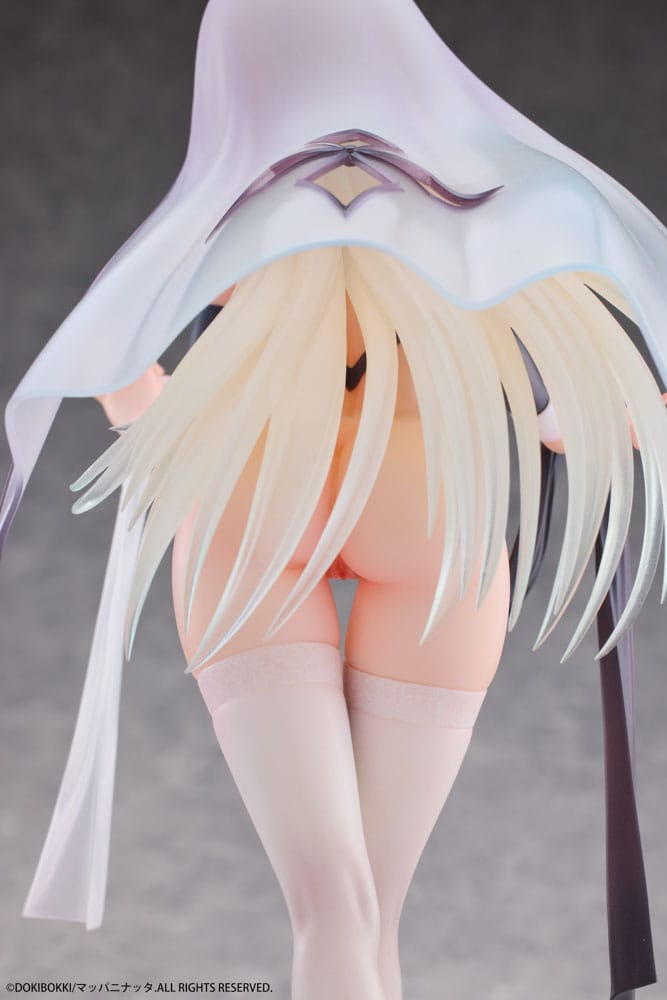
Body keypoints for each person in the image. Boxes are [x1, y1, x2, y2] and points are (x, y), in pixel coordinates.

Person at [3, 2, 667, 998]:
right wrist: (579, 417)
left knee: (339, 907)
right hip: (411, 517)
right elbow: (587, 407)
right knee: (361, 910)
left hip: (264, 507)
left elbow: (121, 376)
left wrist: (183, 428)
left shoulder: (230, 207)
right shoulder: (478, 200)